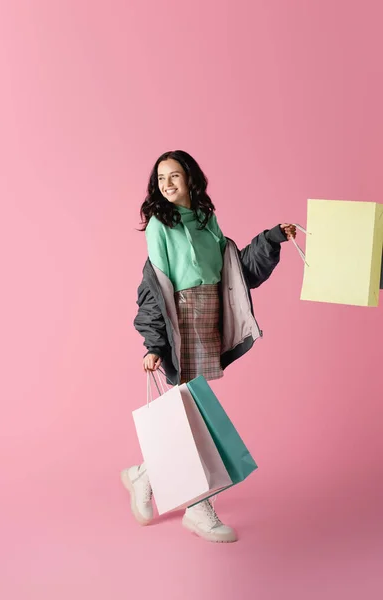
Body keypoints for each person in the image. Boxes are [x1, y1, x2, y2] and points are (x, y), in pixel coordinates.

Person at [121, 150, 296, 543]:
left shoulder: (206, 220)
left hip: (208, 318)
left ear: (190, 179)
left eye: (175, 176)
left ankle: (144, 476)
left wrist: (270, 239)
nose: (167, 184)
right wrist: (153, 344)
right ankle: (198, 509)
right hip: (181, 323)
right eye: (161, 178)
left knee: (191, 414)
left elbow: (236, 272)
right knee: (193, 418)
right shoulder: (158, 226)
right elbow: (154, 287)